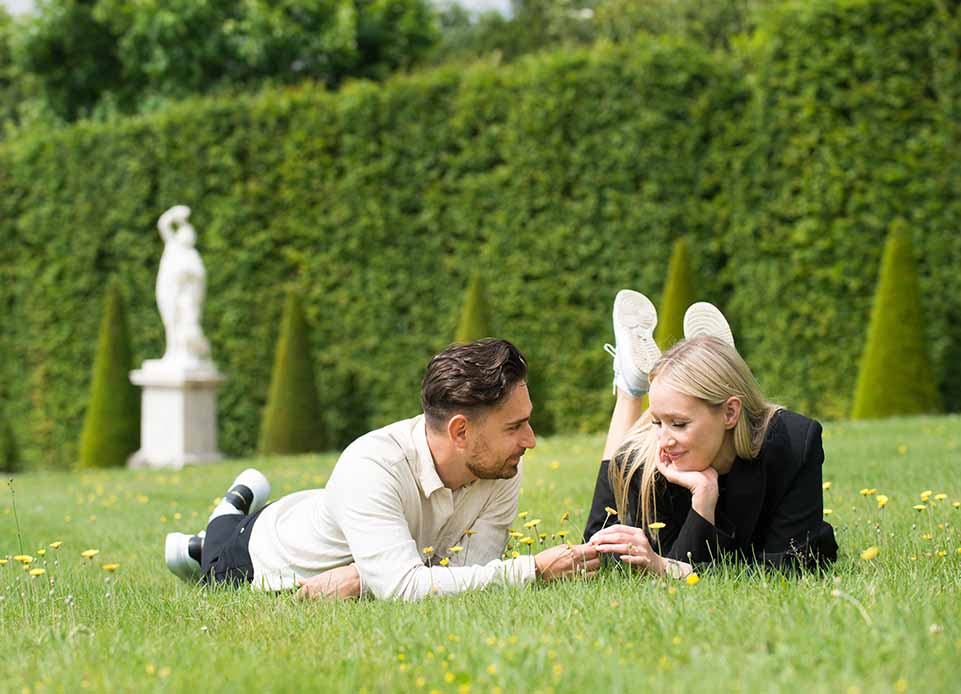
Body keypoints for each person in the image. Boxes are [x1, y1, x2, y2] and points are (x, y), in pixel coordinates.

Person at [165, 338, 600, 600]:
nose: (531, 441)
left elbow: (470, 573)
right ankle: (227, 513)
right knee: (213, 552)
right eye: (516, 426)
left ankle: (230, 512)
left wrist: (364, 580)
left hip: (332, 514)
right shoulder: (371, 464)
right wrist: (534, 570)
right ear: (461, 431)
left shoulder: (500, 466)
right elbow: (406, 590)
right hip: (259, 549)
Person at [584, 290, 837, 578]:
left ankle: (710, 364)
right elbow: (669, 577)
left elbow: (788, 568)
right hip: (641, 456)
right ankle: (631, 386)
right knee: (592, 551)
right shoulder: (652, 461)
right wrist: (703, 499)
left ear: (730, 413)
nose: (664, 441)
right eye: (659, 422)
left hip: (739, 431)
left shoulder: (795, 441)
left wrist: (667, 566)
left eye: (679, 424)